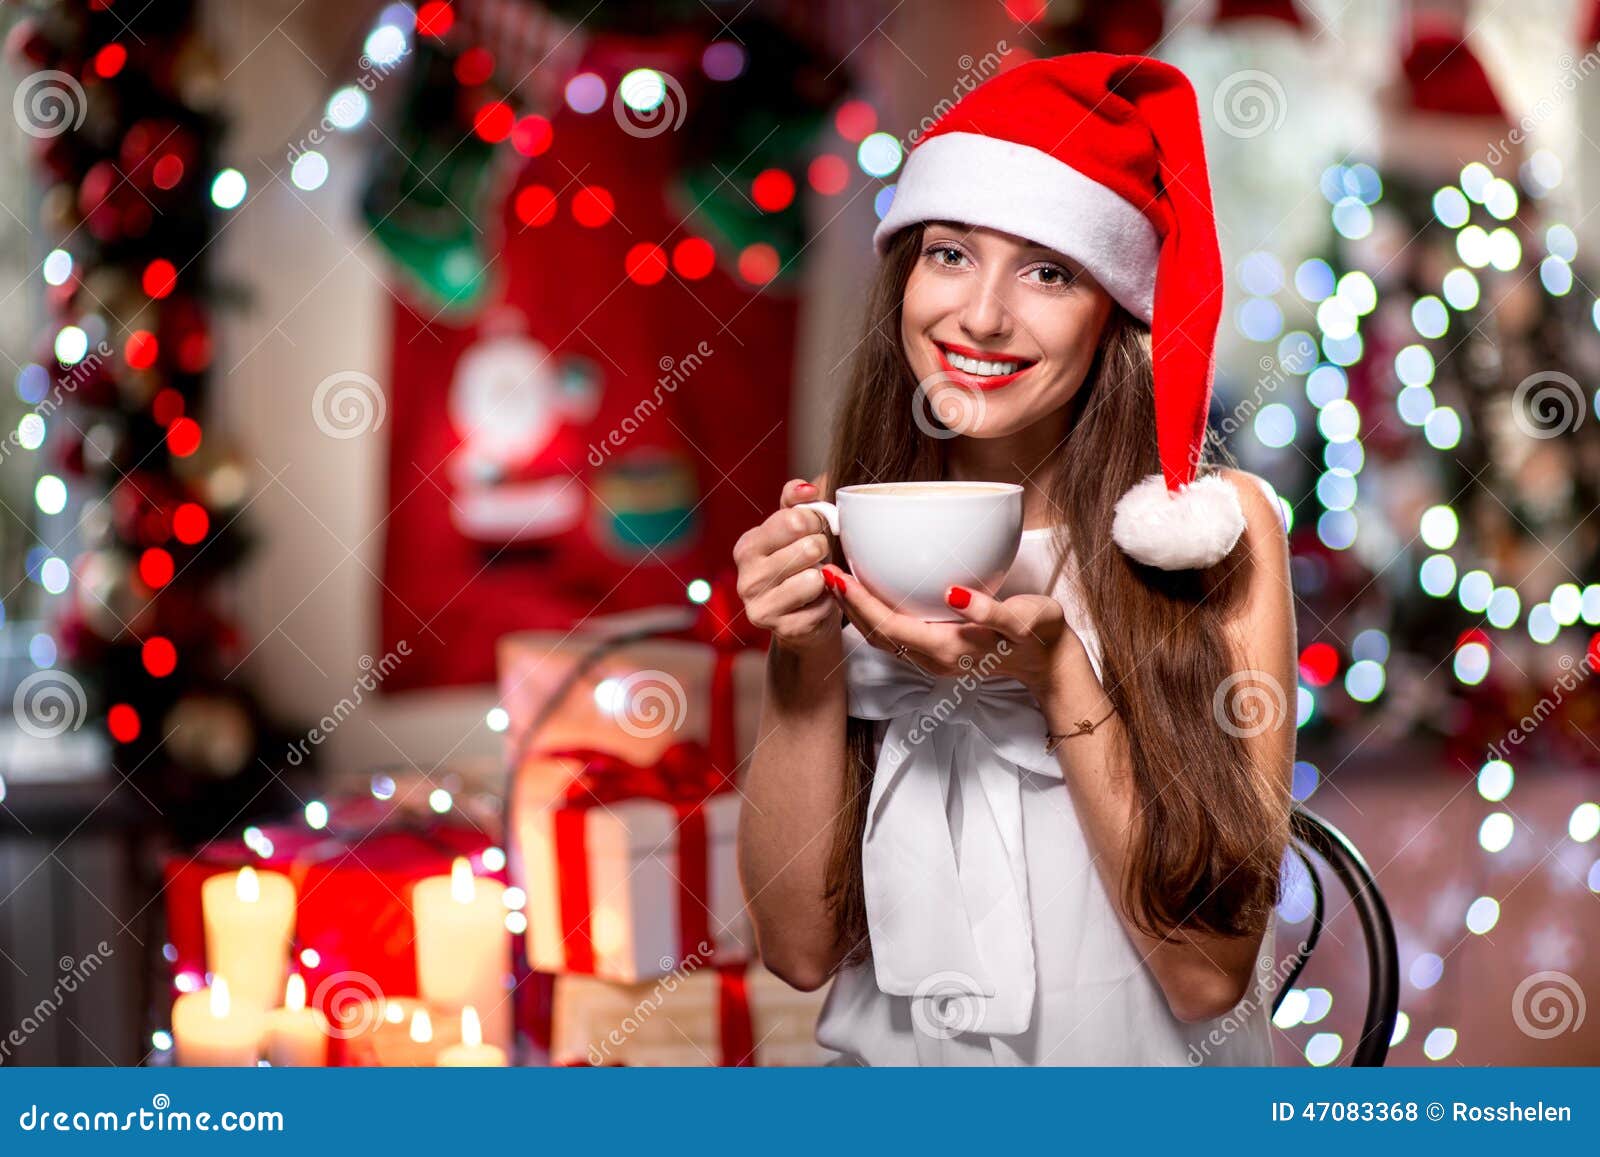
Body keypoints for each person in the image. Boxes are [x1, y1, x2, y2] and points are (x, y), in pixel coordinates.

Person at [733, 52, 1297, 1065]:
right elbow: (796, 950)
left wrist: (1060, 680)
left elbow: (1207, 972)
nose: (981, 316)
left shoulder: (1212, 531)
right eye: (950, 253)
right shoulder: (853, 530)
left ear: (1112, 310)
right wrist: (803, 658)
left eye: (1048, 270)